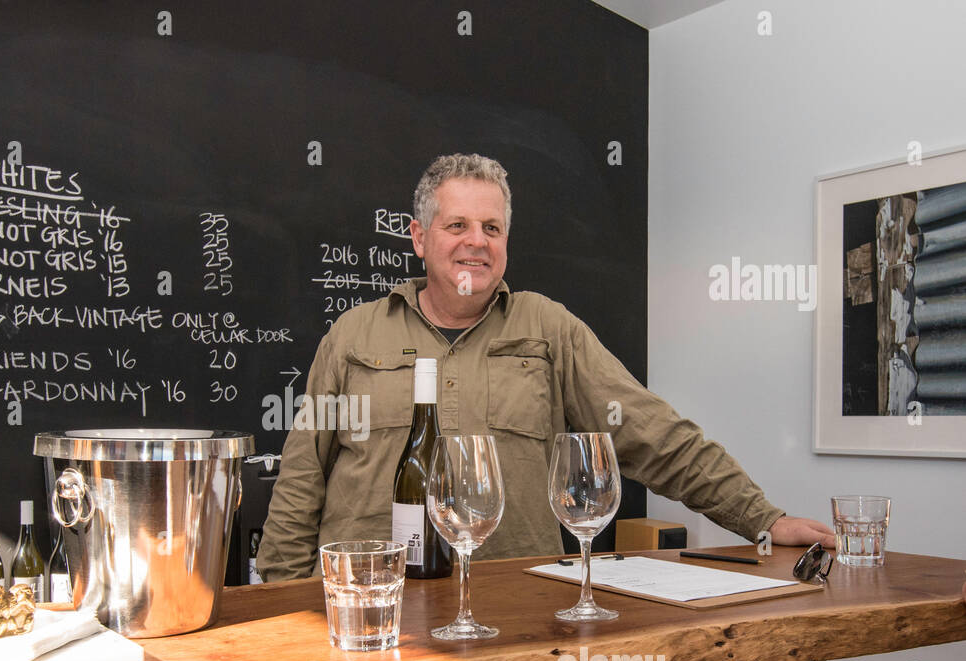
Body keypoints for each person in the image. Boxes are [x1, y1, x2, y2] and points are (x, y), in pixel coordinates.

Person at [256, 153, 833, 582]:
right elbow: (301, 479)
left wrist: (763, 518)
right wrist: (276, 604)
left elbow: (653, 434)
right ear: (419, 237)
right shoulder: (352, 336)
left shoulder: (548, 330)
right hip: (366, 604)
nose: (475, 242)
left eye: (492, 228)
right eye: (457, 225)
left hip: (515, 606)